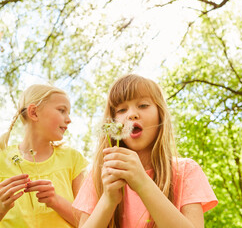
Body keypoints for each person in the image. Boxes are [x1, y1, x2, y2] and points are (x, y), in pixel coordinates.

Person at [73, 74, 218, 228]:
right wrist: (108, 200)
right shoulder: (99, 177)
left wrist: (142, 182)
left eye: (143, 105)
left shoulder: (186, 171)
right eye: (122, 109)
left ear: (160, 115)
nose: (132, 114)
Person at [0, 84, 88, 228]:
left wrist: (55, 200)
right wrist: (0, 207)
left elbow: (88, 223)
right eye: (62, 110)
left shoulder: (73, 159)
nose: (69, 119)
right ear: (34, 113)